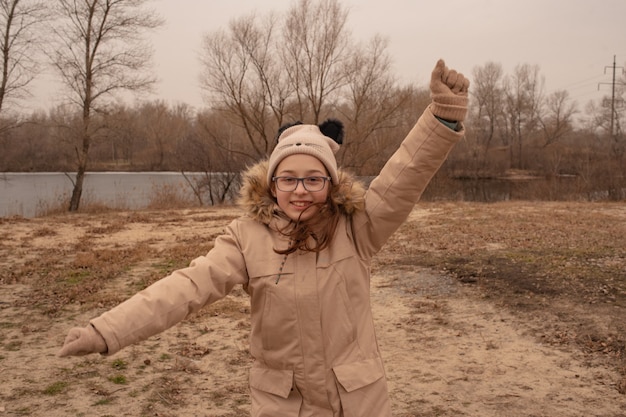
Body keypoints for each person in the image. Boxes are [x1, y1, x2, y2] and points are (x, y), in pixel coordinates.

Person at [58, 59, 469, 416]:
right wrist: (105, 331)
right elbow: (184, 288)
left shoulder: (357, 226)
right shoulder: (245, 238)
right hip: (282, 402)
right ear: (273, 184)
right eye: (289, 178)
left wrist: (442, 117)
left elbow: (403, 177)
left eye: (313, 178)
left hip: (356, 399)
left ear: (330, 181)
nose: (301, 190)